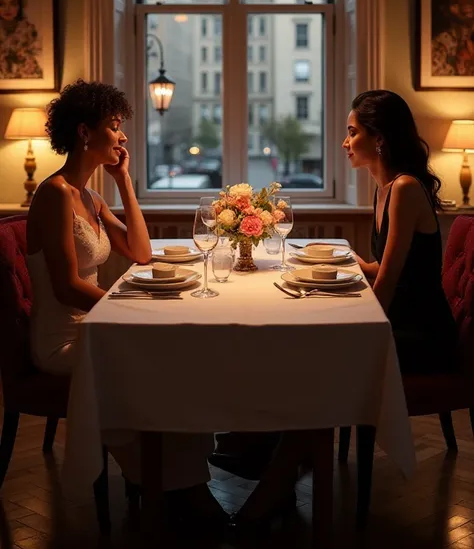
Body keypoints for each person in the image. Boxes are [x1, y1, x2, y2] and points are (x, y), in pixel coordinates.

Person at [230, 89, 458, 529]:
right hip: (401, 322)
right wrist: (350, 262)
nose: (344, 141)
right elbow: (389, 269)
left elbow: (389, 289)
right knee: (304, 359)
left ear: (380, 140)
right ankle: (269, 461)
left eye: (352, 132)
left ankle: (276, 478)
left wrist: (343, 325)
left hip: (423, 338)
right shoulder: (385, 188)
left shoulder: (405, 189)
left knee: (319, 366)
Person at [26, 79, 226, 527]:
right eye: (114, 125)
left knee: (179, 354)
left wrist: (124, 182)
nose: (122, 136)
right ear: (84, 132)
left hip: (97, 325)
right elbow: (65, 287)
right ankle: (171, 484)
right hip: (65, 338)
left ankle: (176, 479)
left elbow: (140, 252)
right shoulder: (54, 194)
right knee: (159, 360)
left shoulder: (90, 197)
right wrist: (130, 308)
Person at [0, 0, 43, 78]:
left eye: (13, 4)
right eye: (2, 4)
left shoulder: (28, 29)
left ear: (19, 6)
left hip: (25, 72)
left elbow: (37, 51)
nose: (7, 9)